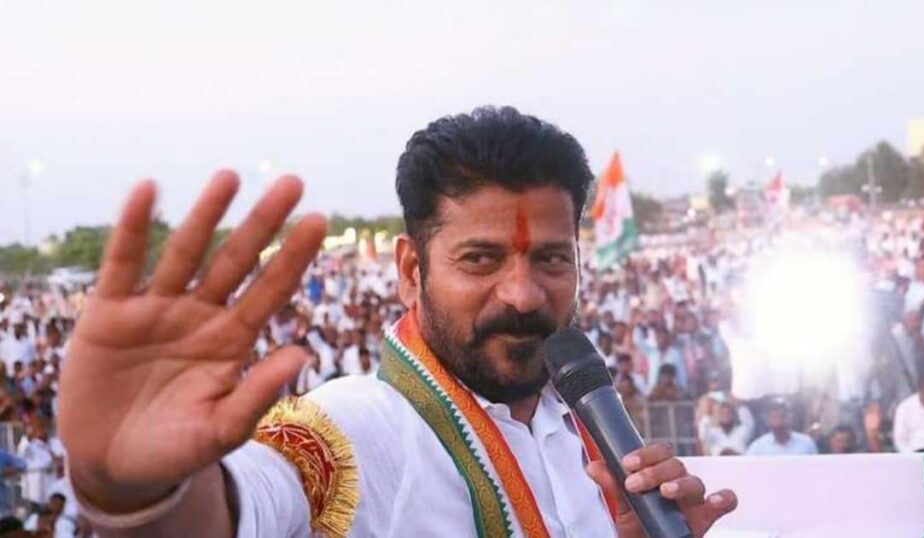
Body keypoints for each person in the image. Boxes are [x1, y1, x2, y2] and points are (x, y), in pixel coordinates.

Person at [58, 107, 735, 537]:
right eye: (481, 259)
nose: (524, 294)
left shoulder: (589, 429)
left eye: (552, 258)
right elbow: (244, 508)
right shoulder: (353, 428)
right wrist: (132, 493)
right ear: (411, 270)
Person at [746, 400, 819, 456]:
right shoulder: (757, 448)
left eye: (783, 416)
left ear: (790, 418)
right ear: (768, 421)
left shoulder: (806, 443)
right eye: (775, 417)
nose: (779, 422)